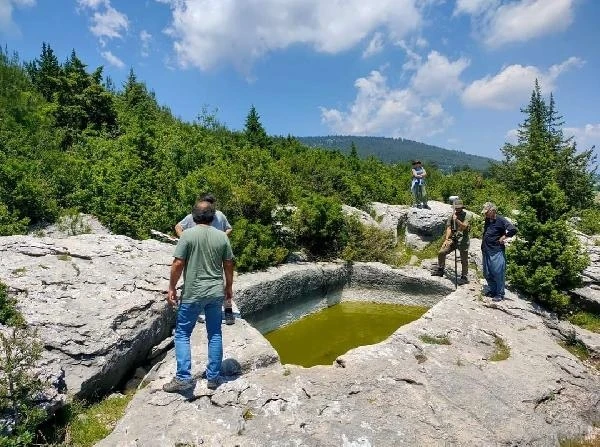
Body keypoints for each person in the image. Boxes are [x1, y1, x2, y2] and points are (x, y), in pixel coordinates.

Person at [163, 200, 234, 392]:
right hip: (215, 292)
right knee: (215, 333)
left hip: (193, 293)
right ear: (213, 217)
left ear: (194, 217)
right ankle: (213, 377)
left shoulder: (187, 235)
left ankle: (183, 378)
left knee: (183, 333)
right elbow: (229, 264)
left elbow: (178, 264)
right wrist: (229, 287)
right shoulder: (222, 237)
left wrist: (172, 287)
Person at [175, 193, 235, 325]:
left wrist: (221, 237)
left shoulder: (219, 215)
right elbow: (178, 226)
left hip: (214, 250)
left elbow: (229, 228)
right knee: (210, 278)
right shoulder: (193, 216)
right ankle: (199, 311)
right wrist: (184, 238)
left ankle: (228, 310)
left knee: (219, 279)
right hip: (199, 249)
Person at [481, 202, 517, 302]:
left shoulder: (501, 220)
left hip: (496, 250)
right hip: (486, 249)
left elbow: (513, 230)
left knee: (497, 272)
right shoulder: (487, 219)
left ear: (492, 211)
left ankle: (499, 293)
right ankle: (492, 290)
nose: (485, 214)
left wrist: (504, 237)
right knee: (487, 273)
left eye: (486, 212)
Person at [432, 199, 471, 284]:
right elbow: (449, 228)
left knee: (464, 259)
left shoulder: (467, 216)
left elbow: (464, 227)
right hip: (453, 239)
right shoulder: (452, 216)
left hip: (463, 239)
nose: (457, 209)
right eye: (455, 208)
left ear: (461, 207)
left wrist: (456, 220)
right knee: (442, 252)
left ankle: (464, 276)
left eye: (458, 208)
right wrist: (446, 239)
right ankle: (440, 269)